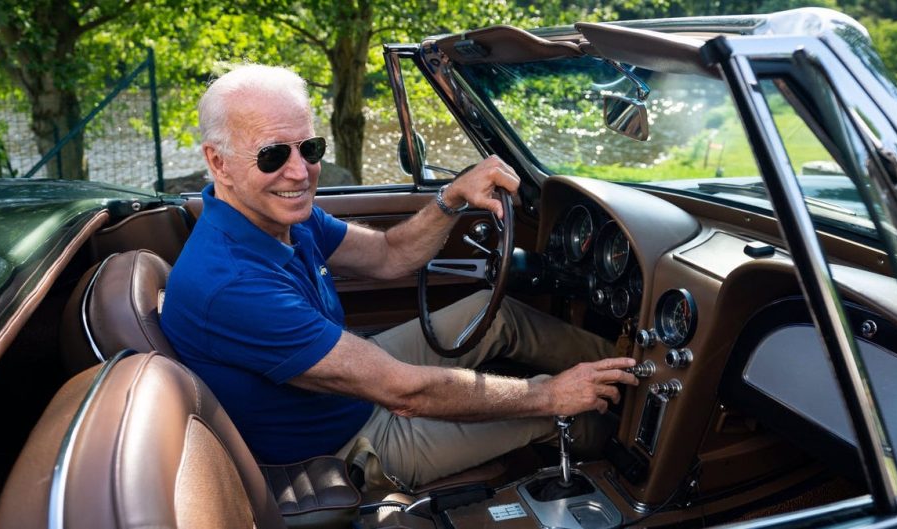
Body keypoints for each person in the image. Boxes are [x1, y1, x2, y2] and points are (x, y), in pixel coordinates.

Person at [160, 63, 638, 489]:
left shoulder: (280, 217)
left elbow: (389, 255)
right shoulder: (230, 284)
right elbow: (404, 392)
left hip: (353, 386)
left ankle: (633, 369)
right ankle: (642, 461)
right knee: (563, 416)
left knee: (495, 316)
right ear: (217, 162)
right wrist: (550, 393)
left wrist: (451, 198)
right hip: (348, 442)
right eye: (272, 156)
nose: (300, 172)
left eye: (309, 148)